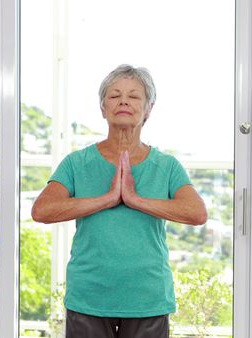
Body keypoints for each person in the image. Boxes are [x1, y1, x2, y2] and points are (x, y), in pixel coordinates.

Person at [31, 64, 208, 338]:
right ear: (103, 108)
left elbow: (196, 213)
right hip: (89, 297)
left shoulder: (167, 166)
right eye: (114, 96)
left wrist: (135, 199)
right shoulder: (77, 163)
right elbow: (42, 210)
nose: (124, 100)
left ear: (148, 109)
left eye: (134, 96)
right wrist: (108, 198)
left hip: (147, 299)